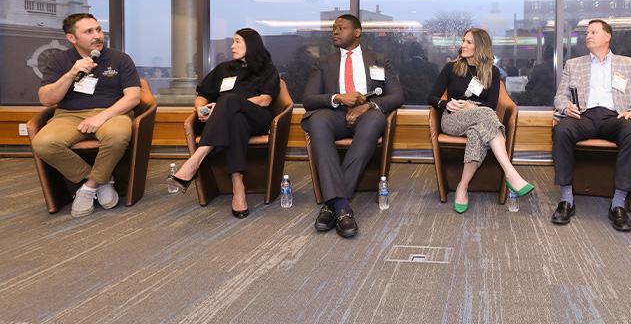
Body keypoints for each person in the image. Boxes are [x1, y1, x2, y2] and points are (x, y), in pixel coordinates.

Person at [301, 15, 404, 238]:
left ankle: (332, 205)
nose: (335, 32)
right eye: (333, 28)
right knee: (316, 121)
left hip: (367, 114)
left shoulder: (379, 59)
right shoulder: (323, 62)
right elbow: (308, 99)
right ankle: (342, 207)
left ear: (357, 32)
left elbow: (397, 96)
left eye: (342, 28)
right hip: (334, 115)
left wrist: (369, 105)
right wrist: (338, 97)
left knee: (376, 120)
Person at [31, 13, 141, 218]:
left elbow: (133, 98)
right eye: (88, 32)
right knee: (43, 144)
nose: (97, 35)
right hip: (69, 115)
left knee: (117, 136)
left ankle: (89, 186)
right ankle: (101, 180)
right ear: (72, 38)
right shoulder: (60, 60)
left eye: (98, 29)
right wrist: (70, 74)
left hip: (112, 113)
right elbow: (47, 99)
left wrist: (102, 117)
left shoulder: (119, 59)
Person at [167, 28, 280, 219]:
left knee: (229, 100)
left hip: (258, 118)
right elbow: (202, 96)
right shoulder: (224, 69)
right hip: (232, 123)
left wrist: (226, 106)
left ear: (250, 44)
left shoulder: (267, 69)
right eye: (233, 42)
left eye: (237, 42)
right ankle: (238, 188)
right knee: (236, 121)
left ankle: (196, 159)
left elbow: (265, 100)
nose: (232, 46)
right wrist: (201, 110)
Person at [551, 19, 631, 232]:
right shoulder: (574, 64)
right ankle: (566, 200)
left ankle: (618, 204)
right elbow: (560, 96)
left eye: (594, 32)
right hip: (583, 116)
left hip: (615, 117)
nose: (588, 36)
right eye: (587, 33)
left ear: (607, 36)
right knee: (561, 130)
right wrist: (566, 107)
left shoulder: (628, 64)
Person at [428, 28, 533, 214]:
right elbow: (431, 97)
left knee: (478, 133)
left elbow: (492, 103)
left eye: (469, 42)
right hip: (453, 118)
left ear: (481, 47)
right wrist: (445, 104)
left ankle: (463, 187)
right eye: (463, 41)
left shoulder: (492, 71)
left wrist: (471, 107)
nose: (463, 46)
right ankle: (510, 172)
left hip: (479, 116)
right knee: (486, 115)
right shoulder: (451, 67)